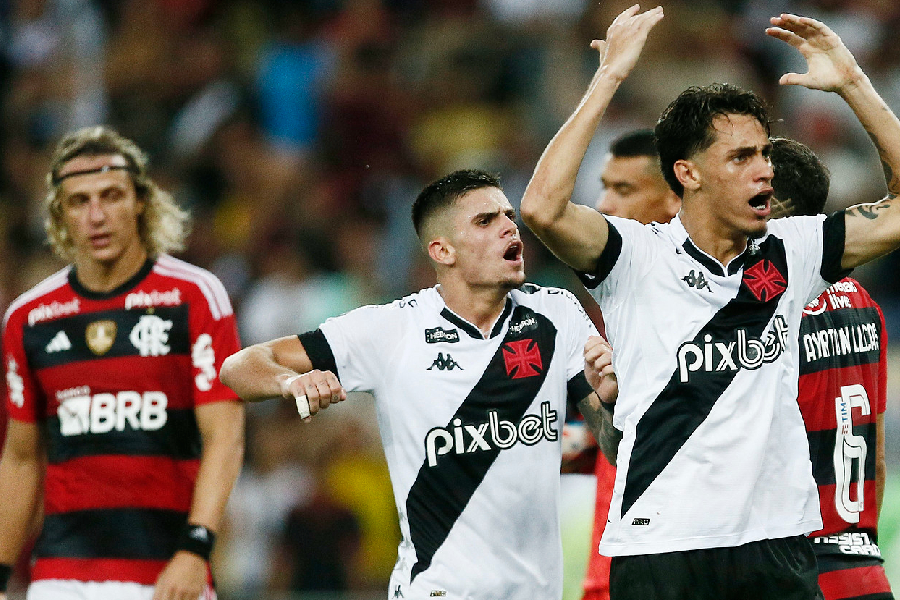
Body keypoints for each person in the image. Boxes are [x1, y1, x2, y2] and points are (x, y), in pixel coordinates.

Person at [520, 6, 900, 599]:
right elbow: (541, 209)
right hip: (661, 546)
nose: (765, 172)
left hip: (777, 545)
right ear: (687, 174)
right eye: (741, 158)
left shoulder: (795, 250)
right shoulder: (634, 256)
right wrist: (608, 79)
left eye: (764, 154)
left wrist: (854, 85)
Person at [219, 168, 617, 600]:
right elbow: (239, 367)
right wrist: (291, 383)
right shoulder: (391, 329)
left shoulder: (555, 315)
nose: (509, 227)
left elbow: (612, 448)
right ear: (442, 250)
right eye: (486, 221)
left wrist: (613, 400)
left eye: (508, 215)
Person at [0, 126, 245, 600]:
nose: (96, 216)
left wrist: (195, 549)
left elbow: (225, 436)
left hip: (164, 573)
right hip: (59, 576)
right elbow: (21, 457)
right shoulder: (29, 319)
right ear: (60, 213)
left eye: (111, 196)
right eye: (79, 201)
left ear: (140, 201)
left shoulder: (194, 297)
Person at [769, 137, 894, 600]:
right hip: (863, 571)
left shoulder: (767, 312)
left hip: (792, 573)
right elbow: (875, 456)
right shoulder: (865, 304)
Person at [565, 128, 680, 600]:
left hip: (670, 572)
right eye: (603, 186)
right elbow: (609, 444)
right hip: (607, 576)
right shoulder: (618, 306)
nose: (603, 204)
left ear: (677, 197)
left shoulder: (707, 308)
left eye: (624, 189)